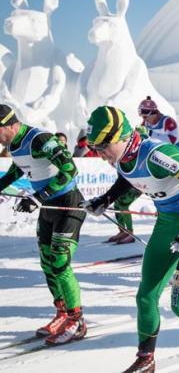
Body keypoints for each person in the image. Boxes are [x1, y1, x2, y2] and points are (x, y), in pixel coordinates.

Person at [82, 106, 179, 373]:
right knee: (146, 297)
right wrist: (105, 200)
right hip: (167, 222)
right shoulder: (122, 155)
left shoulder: (158, 155)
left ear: (122, 136)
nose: (99, 153)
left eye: (103, 146)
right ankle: (145, 360)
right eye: (95, 147)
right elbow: (129, 176)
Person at [0, 104, 87, 345]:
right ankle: (62, 313)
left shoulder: (39, 139)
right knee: (47, 263)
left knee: (60, 261)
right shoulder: (13, 144)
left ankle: (77, 320)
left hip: (68, 204)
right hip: (49, 207)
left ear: (10, 125)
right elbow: (20, 167)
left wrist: (39, 197)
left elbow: (70, 169)